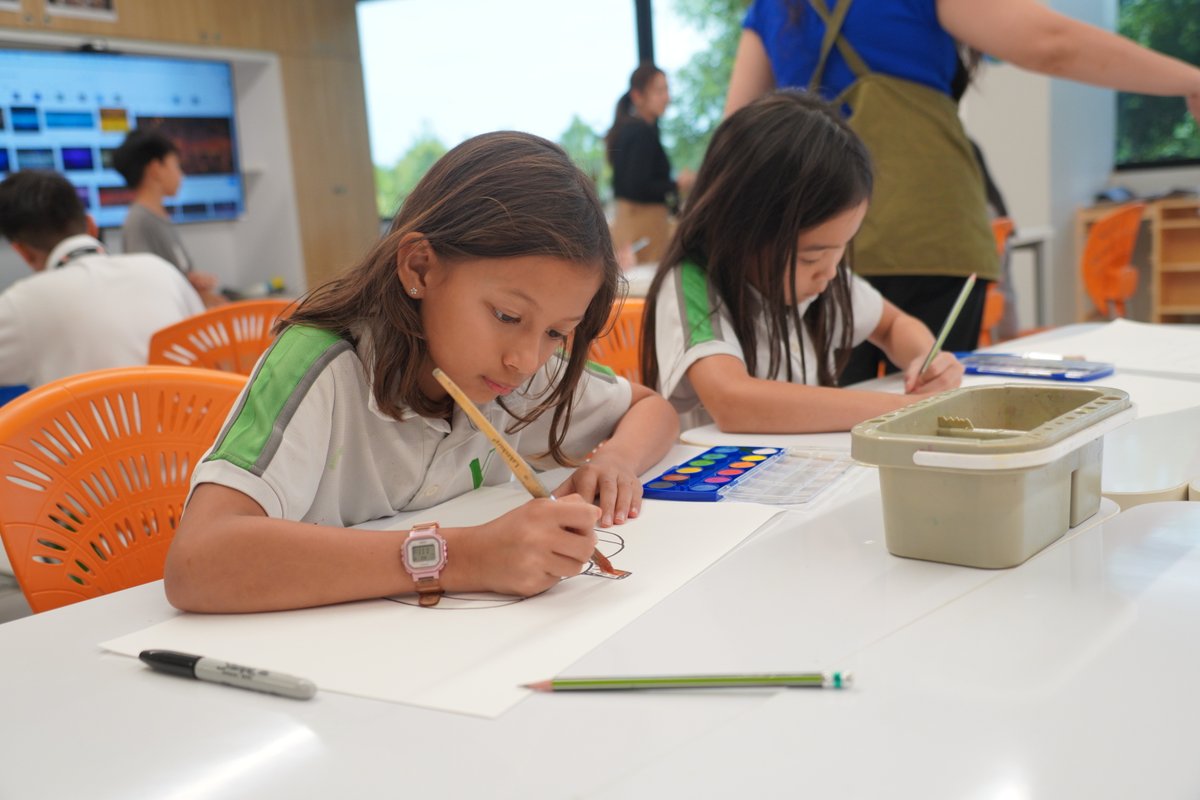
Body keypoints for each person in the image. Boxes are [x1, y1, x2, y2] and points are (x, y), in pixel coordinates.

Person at [163, 131, 679, 614]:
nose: (525, 359)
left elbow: (650, 407)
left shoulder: (517, 375)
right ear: (420, 268)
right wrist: (465, 557)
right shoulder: (321, 364)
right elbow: (198, 562)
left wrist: (616, 460)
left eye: (555, 333)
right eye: (506, 316)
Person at [725, 0, 1200, 384]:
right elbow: (1050, 43)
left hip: (811, 240)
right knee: (931, 408)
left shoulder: (770, 8)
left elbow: (736, 133)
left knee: (827, 423)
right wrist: (1189, 79)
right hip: (932, 230)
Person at [640, 91, 963, 434]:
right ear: (743, 228)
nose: (830, 270)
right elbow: (733, 401)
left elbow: (892, 325)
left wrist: (926, 359)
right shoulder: (692, 283)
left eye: (841, 248)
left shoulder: (816, 277)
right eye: (812, 255)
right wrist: (901, 409)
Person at [0, 170, 205, 388]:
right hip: (194, 420)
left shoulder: (21, 305)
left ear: (23, 252)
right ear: (91, 226)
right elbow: (209, 350)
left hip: (87, 423)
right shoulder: (161, 269)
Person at [112, 128, 225, 307]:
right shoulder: (139, 221)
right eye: (176, 165)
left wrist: (191, 282)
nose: (181, 174)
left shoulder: (158, 216)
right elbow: (146, 286)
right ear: (156, 169)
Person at [606, 63, 695, 266]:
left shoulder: (630, 130)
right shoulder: (641, 132)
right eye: (659, 90)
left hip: (632, 224)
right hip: (643, 228)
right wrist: (677, 185)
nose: (667, 97)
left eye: (667, 90)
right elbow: (638, 185)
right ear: (638, 96)